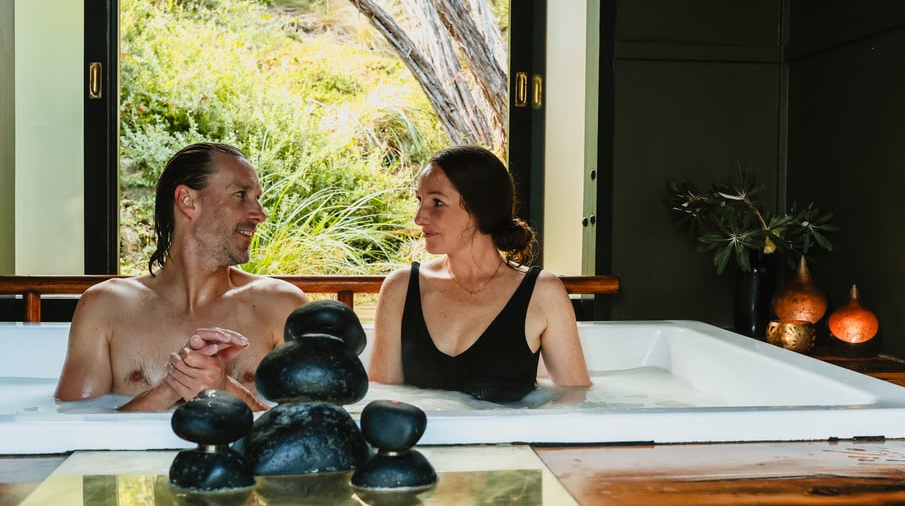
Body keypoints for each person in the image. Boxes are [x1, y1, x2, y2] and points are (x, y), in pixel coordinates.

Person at [55, 143, 308, 412]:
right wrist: (170, 389)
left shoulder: (282, 307)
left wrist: (226, 389)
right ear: (188, 201)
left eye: (257, 197)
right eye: (240, 195)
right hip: (137, 457)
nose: (260, 214)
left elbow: (310, 431)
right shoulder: (106, 307)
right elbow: (73, 425)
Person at [368, 145, 590, 402]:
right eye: (420, 201)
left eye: (437, 202)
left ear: (481, 208)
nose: (419, 217)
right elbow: (383, 399)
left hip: (511, 441)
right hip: (422, 441)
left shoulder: (542, 292)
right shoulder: (401, 288)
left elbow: (576, 400)